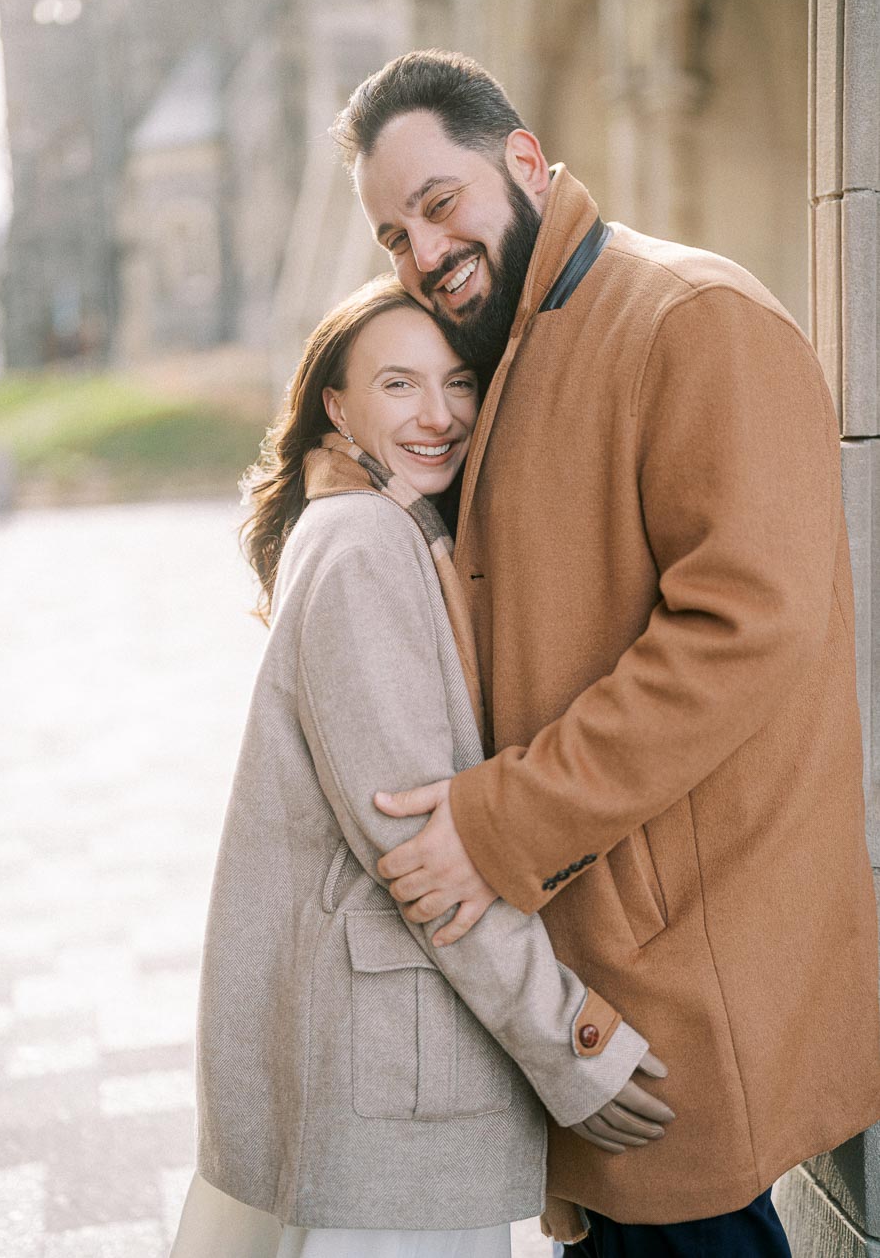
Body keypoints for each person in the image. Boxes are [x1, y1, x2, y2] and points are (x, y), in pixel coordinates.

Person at [330, 50, 880, 1256]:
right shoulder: (523, 346)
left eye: (438, 203)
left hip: (676, 972)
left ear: (524, 161)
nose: (422, 252)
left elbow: (742, 630)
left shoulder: (688, 318)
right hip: (592, 977)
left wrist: (499, 825)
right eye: (392, 236)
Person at [170, 275, 672, 1258]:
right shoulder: (363, 548)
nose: (437, 414)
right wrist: (575, 1046)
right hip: (392, 1082)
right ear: (336, 404)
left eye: (458, 382)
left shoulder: (392, 530)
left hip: (387, 1075)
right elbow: (420, 851)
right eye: (398, 385)